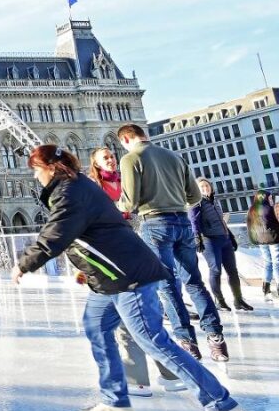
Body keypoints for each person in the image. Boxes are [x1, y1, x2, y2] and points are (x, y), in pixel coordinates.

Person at [14, 145, 254, 411]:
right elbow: (91, 236)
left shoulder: (69, 192)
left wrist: (24, 264)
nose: (35, 176)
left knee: (152, 339)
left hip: (127, 275)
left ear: (50, 167)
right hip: (106, 280)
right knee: (97, 328)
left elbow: (56, 234)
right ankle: (114, 399)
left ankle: (220, 403)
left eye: (36, 169)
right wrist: (85, 268)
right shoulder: (76, 186)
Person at [117, 124, 227, 361]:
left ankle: (188, 344)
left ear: (126, 139)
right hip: (183, 223)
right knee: (195, 282)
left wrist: (113, 208)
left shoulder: (130, 158)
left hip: (155, 224)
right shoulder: (174, 156)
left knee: (167, 286)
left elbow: (129, 202)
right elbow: (195, 196)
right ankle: (216, 339)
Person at [86, 147, 182, 396]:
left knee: (142, 312)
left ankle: (165, 374)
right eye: (104, 157)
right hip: (114, 249)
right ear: (95, 164)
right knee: (128, 315)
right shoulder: (93, 187)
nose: (111, 159)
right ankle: (146, 377)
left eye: (112, 155)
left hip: (136, 245)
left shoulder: (129, 179)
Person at [190, 178, 251, 312]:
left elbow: (221, 221)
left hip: (224, 239)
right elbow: (194, 220)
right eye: (202, 186)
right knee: (216, 270)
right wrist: (197, 238)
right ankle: (220, 301)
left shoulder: (215, 201)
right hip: (209, 240)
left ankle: (238, 300)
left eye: (207, 185)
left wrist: (231, 236)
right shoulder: (197, 202)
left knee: (233, 271)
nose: (205, 188)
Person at [245, 190, 279, 303]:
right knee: (277, 263)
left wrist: (254, 240)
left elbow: (249, 227)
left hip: (260, 241)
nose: (271, 199)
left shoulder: (251, 210)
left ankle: (266, 289)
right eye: (270, 197)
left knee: (268, 263)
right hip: (273, 239)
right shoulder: (271, 208)